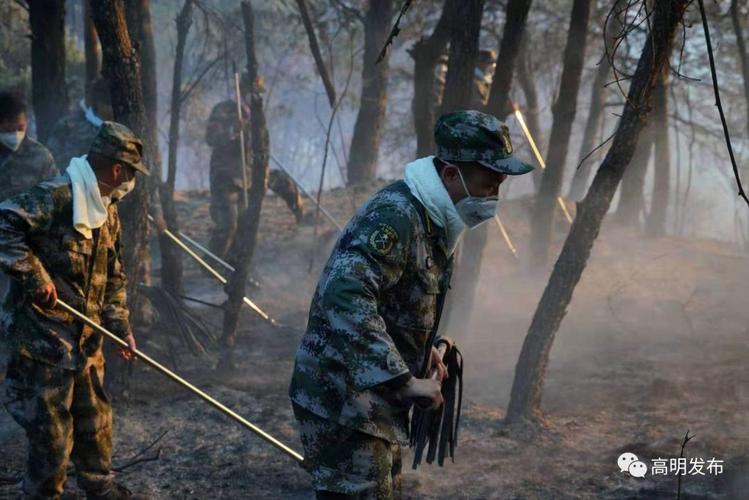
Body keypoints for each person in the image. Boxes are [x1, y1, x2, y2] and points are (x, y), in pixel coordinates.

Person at [289, 110, 534, 499]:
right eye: (489, 184)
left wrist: (424, 353)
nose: (494, 197)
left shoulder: (435, 218)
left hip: (371, 404)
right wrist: (401, 380)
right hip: (342, 398)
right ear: (451, 175)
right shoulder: (397, 217)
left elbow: (396, 300)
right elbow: (345, 295)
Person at [0, 121, 148, 499]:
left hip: (87, 339)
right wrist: (35, 276)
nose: (132, 180)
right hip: (45, 340)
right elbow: (3, 224)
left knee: (95, 418)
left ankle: (100, 486)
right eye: (131, 172)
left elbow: (112, 275)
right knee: (52, 437)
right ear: (117, 169)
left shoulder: (105, 209)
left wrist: (120, 326)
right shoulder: (58, 195)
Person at [205, 80, 304, 259]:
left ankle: (304, 219)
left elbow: (264, 148)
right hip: (227, 178)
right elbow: (211, 138)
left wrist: (264, 171)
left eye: (259, 94)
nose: (256, 97)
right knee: (229, 225)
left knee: (247, 227)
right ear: (242, 90)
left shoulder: (257, 117)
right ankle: (212, 262)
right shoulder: (224, 110)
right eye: (253, 92)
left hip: (251, 176)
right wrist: (232, 130)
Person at [46, 78, 115, 173]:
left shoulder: (122, 129)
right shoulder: (68, 125)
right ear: (101, 105)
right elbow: (51, 160)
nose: (118, 109)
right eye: (112, 105)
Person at [0, 91, 58, 201]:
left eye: (20, 128)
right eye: (9, 130)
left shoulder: (40, 157)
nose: (15, 134)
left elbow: (56, 199)